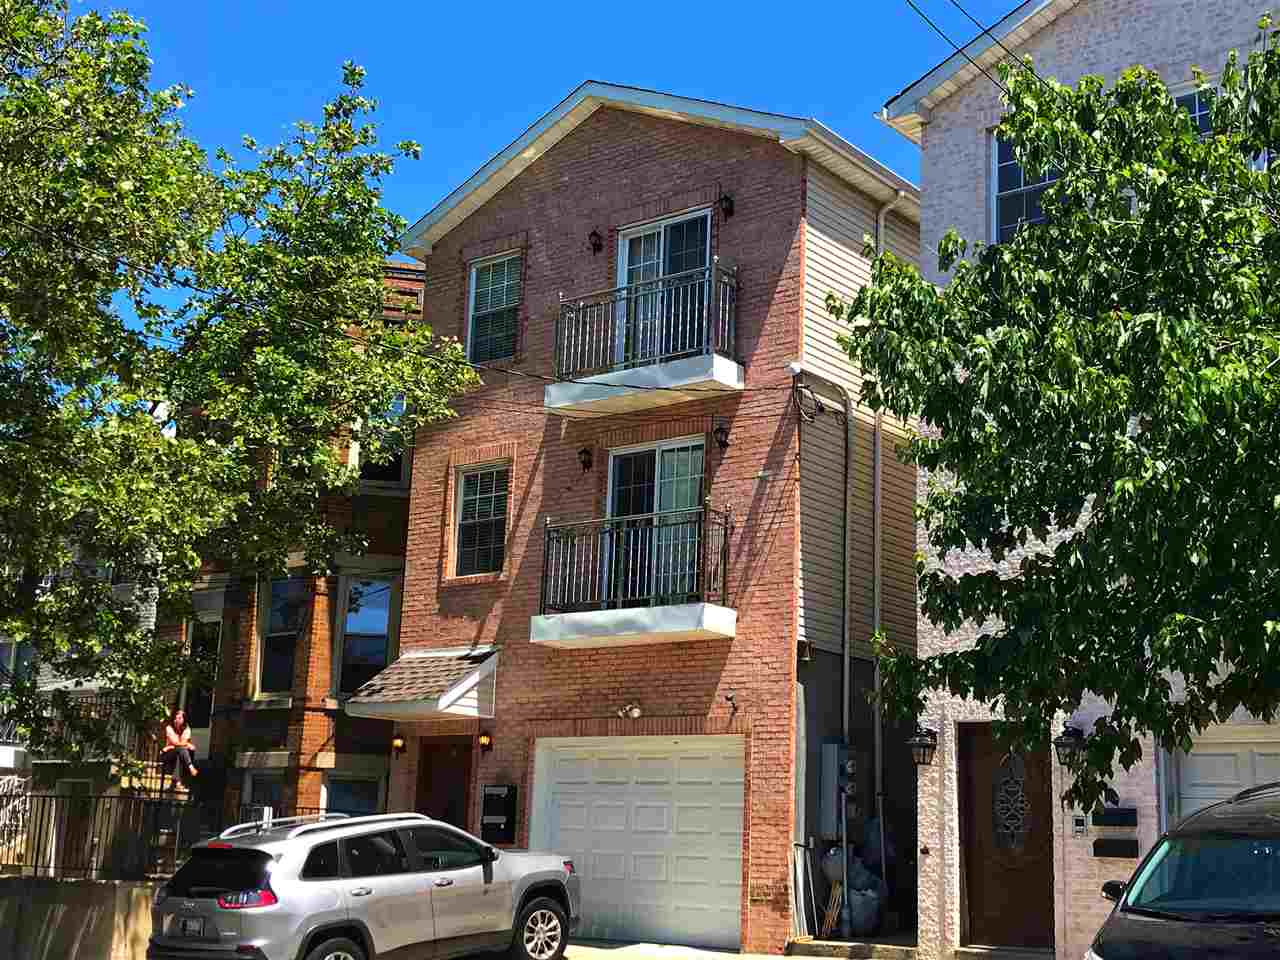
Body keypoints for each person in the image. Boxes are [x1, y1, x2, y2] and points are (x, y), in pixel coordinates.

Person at [161, 707, 198, 786]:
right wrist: (187, 744)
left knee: (181, 750)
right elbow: (176, 742)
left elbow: (180, 743)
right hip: (168, 754)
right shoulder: (169, 728)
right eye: (175, 718)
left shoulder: (187, 729)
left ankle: (178, 780)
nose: (176, 720)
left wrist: (182, 744)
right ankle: (190, 767)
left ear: (184, 720)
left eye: (179, 718)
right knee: (182, 749)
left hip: (178, 753)